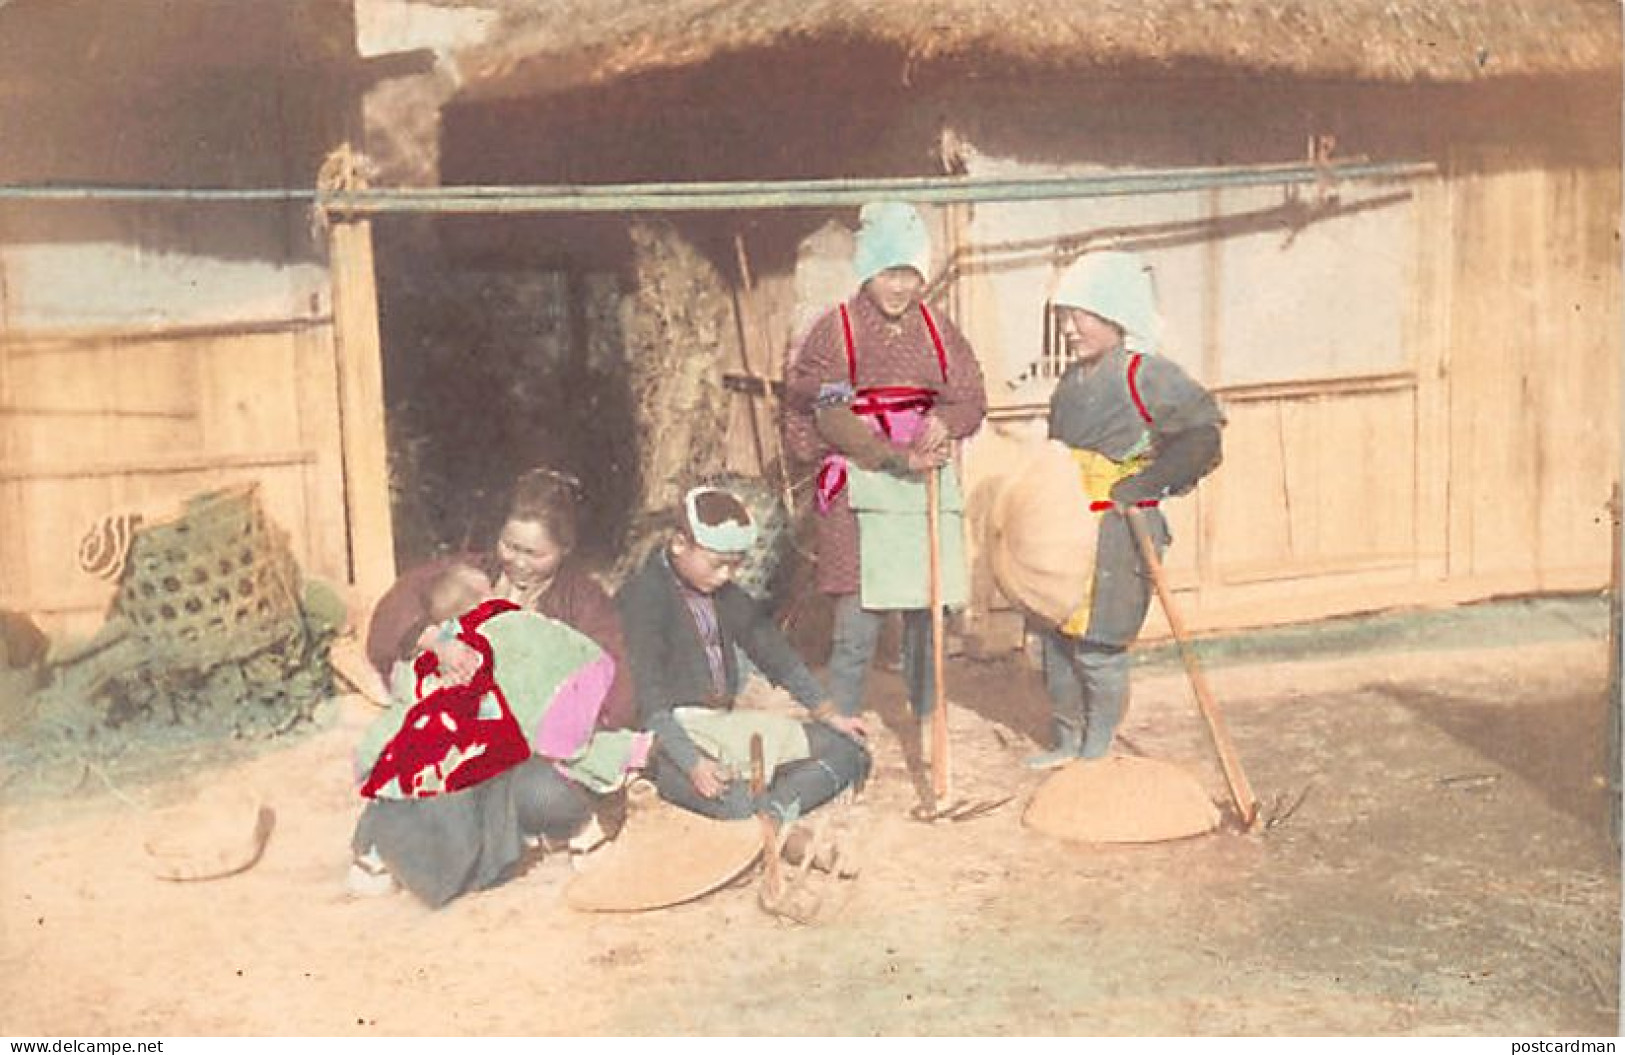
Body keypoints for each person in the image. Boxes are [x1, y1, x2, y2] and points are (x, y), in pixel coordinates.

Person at [349, 467, 641, 905]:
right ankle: (397, 845)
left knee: (542, 794)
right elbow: (392, 616)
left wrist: (542, 707)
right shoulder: (473, 573)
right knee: (422, 756)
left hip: (528, 750)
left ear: (564, 549)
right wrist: (433, 640)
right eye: (511, 545)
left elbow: (614, 685)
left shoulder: (582, 600)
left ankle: (451, 845)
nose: (519, 562)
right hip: (466, 727)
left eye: (535, 553)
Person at [783, 202, 987, 749]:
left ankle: (927, 721)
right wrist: (893, 456)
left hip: (923, 485)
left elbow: (971, 397)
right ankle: (842, 732)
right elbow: (829, 412)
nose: (900, 287)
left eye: (910, 274)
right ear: (867, 271)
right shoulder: (835, 331)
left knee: (925, 617)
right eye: (888, 272)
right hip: (859, 482)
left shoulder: (939, 331)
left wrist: (944, 421)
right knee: (857, 622)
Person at [1024, 250, 1224, 769]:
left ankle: (1098, 745)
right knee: (1055, 640)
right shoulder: (1070, 385)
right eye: (1063, 316)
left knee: (1097, 645)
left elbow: (1202, 440)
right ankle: (1066, 738)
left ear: (1115, 313)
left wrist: (1144, 485)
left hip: (1118, 527)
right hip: (1064, 523)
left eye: (1080, 315)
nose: (1069, 328)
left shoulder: (1146, 374)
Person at [616, 485, 871, 823]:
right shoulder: (643, 598)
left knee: (849, 749)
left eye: (734, 567)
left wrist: (827, 713)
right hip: (670, 739)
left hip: (722, 727)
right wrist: (693, 764)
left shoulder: (721, 592)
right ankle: (769, 808)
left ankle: (770, 812)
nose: (726, 576)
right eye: (717, 564)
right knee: (734, 802)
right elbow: (649, 700)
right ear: (679, 544)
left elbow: (773, 652)